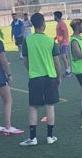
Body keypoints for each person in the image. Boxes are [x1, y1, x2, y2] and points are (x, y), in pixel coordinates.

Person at [20, 12, 61, 146]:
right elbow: (57, 62)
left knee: (33, 107)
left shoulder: (28, 40)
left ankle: (33, 138)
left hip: (35, 78)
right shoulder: (50, 41)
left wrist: (32, 69)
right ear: (43, 24)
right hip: (50, 77)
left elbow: (25, 61)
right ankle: (50, 136)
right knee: (50, 106)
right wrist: (58, 76)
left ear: (32, 24)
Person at [54, 11, 72, 78]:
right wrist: (55, 38)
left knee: (63, 56)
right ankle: (68, 69)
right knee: (65, 56)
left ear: (56, 16)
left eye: (54, 16)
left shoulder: (61, 23)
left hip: (64, 42)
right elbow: (60, 33)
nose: (54, 17)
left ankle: (68, 71)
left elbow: (64, 32)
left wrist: (62, 42)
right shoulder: (59, 23)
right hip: (62, 42)